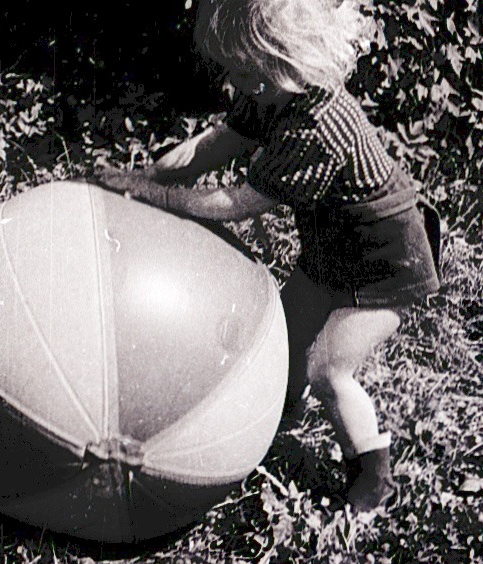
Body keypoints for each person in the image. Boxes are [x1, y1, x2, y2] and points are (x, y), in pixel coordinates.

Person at [96, 0, 441, 513]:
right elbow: (215, 144)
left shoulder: (318, 126)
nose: (233, 81)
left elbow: (240, 203)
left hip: (385, 261)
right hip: (333, 246)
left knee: (328, 369)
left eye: (241, 69)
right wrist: (147, 178)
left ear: (280, 58)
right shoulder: (271, 91)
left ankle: (374, 478)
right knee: (284, 340)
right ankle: (272, 422)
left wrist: (164, 198)